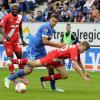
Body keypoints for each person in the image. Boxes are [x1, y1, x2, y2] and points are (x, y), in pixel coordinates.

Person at [4, 41, 91, 89]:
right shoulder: (74, 50)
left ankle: (45, 81)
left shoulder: (76, 49)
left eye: (84, 51)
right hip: (51, 57)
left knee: (64, 75)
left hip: (56, 59)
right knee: (33, 64)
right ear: (81, 45)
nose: (83, 51)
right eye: (83, 49)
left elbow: (79, 62)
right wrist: (82, 76)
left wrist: (84, 72)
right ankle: (10, 70)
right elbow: (75, 65)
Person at [25, 14, 66, 92]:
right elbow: (44, 41)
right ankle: (10, 78)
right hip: (34, 49)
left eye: (56, 21)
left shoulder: (52, 30)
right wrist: (58, 45)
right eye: (53, 20)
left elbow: (45, 42)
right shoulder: (46, 27)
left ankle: (53, 88)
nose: (54, 22)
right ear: (50, 19)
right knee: (28, 70)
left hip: (41, 49)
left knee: (50, 66)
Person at [0, 3, 28, 84]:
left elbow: (20, 28)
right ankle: (13, 77)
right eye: (13, 9)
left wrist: (22, 40)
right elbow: (1, 28)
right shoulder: (7, 17)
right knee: (10, 59)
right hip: (8, 41)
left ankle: (21, 76)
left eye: (16, 9)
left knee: (20, 58)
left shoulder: (20, 17)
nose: (15, 10)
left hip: (16, 41)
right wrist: (5, 35)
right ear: (11, 9)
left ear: (18, 10)